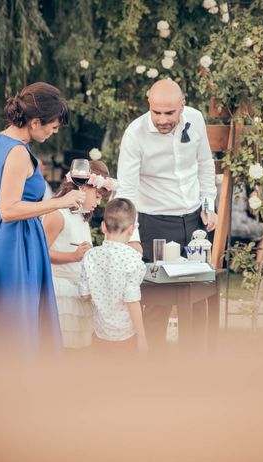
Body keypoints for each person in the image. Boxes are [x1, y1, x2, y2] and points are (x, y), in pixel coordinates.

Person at [0, 82, 85, 357]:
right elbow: (9, 210)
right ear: (35, 122)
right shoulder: (19, 152)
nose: (53, 133)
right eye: (53, 127)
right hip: (14, 244)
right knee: (15, 317)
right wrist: (60, 202)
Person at [116, 78, 217, 348]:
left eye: (169, 113)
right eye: (156, 112)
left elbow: (205, 164)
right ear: (149, 104)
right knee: (157, 303)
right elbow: (126, 190)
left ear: (182, 106)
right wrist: (133, 236)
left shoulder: (195, 119)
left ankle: (193, 363)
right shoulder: (134, 134)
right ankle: (154, 367)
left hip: (196, 221)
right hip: (154, 224)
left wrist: (209, 206)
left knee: (197, 297)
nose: (162, 119)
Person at [43, 160, 116, 349]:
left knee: (79, 349)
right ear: (83, 186)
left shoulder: (81, 218)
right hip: (61, 293)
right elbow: (40, 252)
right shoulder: (58, 214)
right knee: (63, 347)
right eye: (98, 196)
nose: (98, 203)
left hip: (79, 291)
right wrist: (73, 257)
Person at [79, 198, 148, 354]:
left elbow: (85, 296)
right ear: (132, 229)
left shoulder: (90, 256)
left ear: (103, 227)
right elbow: (132, 302)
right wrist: (142, 337)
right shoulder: (133, 260)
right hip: (126, 336)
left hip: (99, 333)